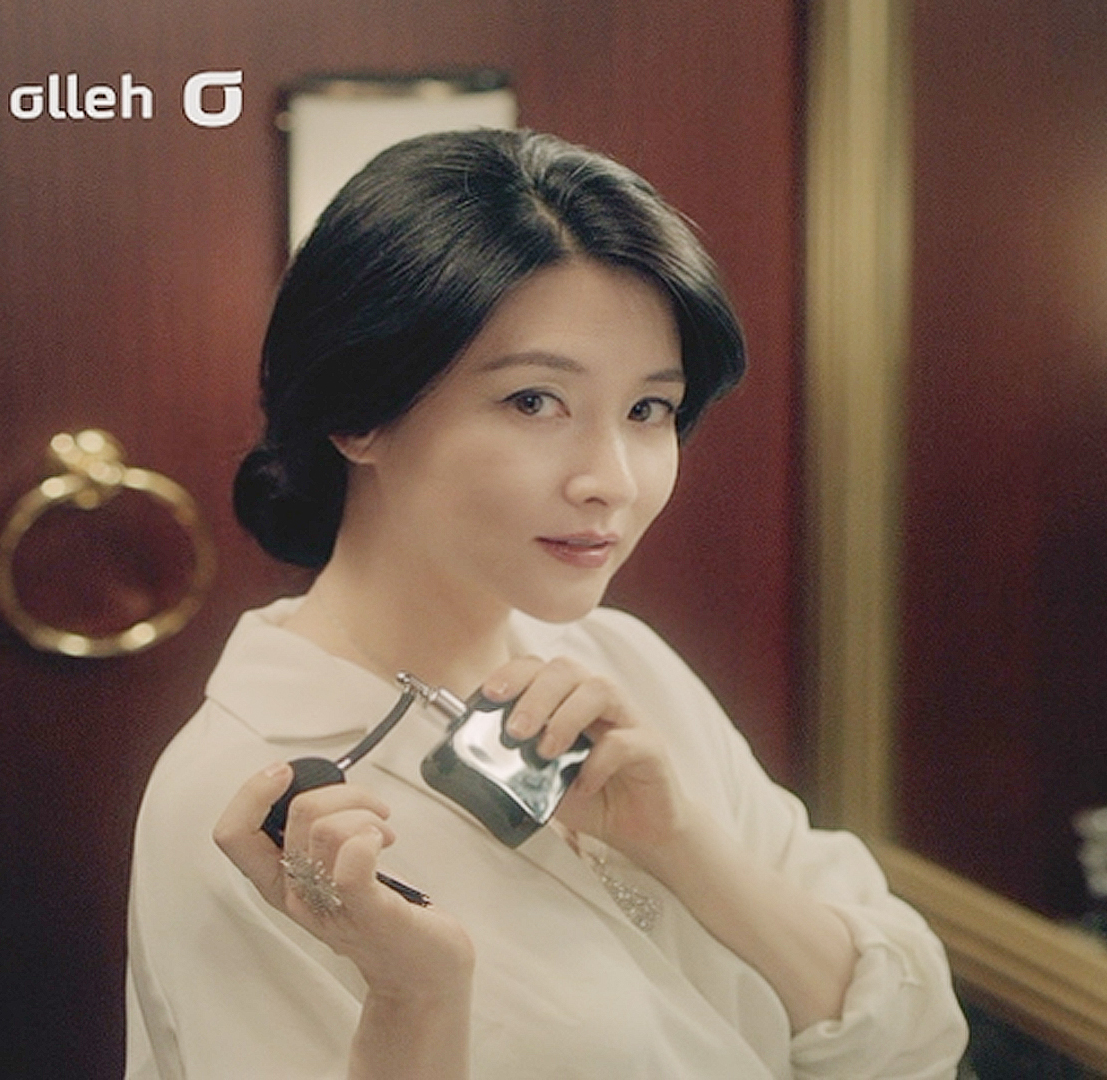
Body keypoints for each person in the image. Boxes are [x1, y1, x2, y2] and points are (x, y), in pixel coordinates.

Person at [125, 128, 967, 1080]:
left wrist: (685, 849)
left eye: (648, 410)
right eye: (534, 401)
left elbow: (913, 1040)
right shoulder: (245, 800)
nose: (611, 480)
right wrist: (416, 1001)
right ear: (359, 411)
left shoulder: (622, 663)